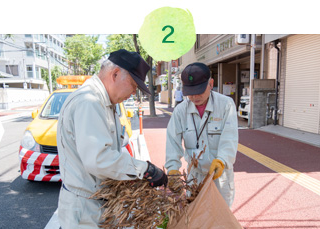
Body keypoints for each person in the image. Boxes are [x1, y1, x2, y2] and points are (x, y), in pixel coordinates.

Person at [57, 49, 168, 228]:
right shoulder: (89, 102)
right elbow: (99, 160)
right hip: (85, 207)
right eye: (133, 85)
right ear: (115, 74)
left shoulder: (107, 103)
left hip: (99, 201)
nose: (133, 92)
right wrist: (144, 169)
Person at [165, 62, 238, 207]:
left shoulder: (226, 105)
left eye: (199, 90)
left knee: (220, 220)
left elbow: (229, 138)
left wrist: (222, 160)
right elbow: (172, 141)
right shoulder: (180, 111)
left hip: (220, 176)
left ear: (210, 84)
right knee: (195, 218)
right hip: (194, 177)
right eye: (190, 92)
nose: (194, 96)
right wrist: (173, 168)